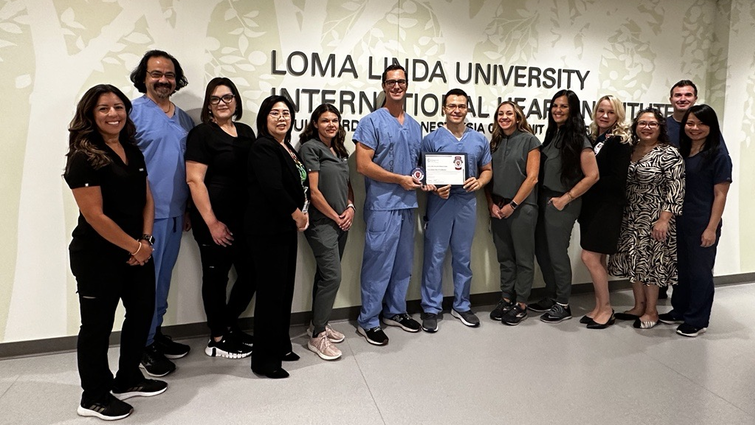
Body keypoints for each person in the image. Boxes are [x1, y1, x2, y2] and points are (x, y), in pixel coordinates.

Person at [65, 84, 166, 421]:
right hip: (97, 257)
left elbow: (147, 197)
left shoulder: (131, 149)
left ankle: (128, 378)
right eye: (104, 108)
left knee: (141, 314)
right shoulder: (84, 157)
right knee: (97, 326)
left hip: (138, 251)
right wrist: (135, 246)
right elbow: (95, 216)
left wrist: (146, 241)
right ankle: (93, 396)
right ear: (91, 115)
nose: (113, 114)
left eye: (119, 107)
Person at [129, 50, 195, 376]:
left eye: (169, 75)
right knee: (146, 285)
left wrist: (185, 211)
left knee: (163, 281)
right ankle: (142, 345)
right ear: (144, 76)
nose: (163, 80)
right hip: (146, 216)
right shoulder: (131, 113)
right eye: (156, 74)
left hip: (175, 214)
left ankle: (154, 335)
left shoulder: (184, 119)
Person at [354, 64, 429, 345]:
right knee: (378, 264)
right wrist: (399, 179)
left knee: (402, 264)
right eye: (391, 82)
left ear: (407, 85)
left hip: (408, 205)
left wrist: (427, 180)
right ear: (384, 86)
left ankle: (395, 312)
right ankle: (368, 320)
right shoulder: (371, 122)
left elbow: (417, 167)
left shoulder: (414, 125)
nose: (396, 86)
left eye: (401, 81)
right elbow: (362, 165)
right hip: (383, 206)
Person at [186, 77, 256, 359]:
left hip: (244, 222)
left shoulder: (247, 132)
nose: (222, 103)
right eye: (215, 99)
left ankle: (228, 324)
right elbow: (194, 181)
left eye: (227, 97)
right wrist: (212, 223)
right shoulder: (202, 134)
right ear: (208, 105)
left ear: (236, 100)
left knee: (251, 275)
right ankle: (217, 337)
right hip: (214, 222)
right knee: (216, 279)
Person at [419, 89, 492, 333]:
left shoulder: (479, 139)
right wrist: (433, 188)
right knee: (434, 256)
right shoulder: (431, 139)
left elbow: (487, 169)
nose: (456, 110)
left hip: (467, 202)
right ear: (443, 108)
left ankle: (461, 305)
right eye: (452, 105)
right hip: (440, 202)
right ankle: (431, 307)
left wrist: (480, 182)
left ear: (467, 109)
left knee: (463, 256)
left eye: (461, 106)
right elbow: (423, 174)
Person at [246, 95, 308, 379]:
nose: (282, 118)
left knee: (284, 292)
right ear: (264, 118)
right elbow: (272, 188)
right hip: (269, 230)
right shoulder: (263, 147)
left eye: (286, 113)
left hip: (284, 229)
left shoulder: (287, 148)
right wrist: (296, 213)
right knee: (271, 295)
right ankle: (264, 360)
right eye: (275, 113)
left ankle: (281, 345)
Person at [659, 105, 732, 337]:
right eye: (690, 123)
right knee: (681, 269)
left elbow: (721, 195)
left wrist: (711, 228)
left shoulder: (719, 155)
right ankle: (680, 309)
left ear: (711, 127)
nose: (695, 128)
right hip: (680, 219)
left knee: (700, 272)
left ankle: (698, 319)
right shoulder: (682, 151)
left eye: (701, 124)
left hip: (702, 221)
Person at [608, 108, 685, 329]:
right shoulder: (631, 150)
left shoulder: (670, 154)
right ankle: (638, 306)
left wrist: (664, 219)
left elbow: (676, 189)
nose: (647, 127)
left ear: (661, 127)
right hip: (630, 216)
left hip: (655, 218)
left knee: (652, 264)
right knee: (635, 261)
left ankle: (651, 310)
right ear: (636, 126)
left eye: (652, 123)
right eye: (642, 123)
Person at [529, 90, 599, 322]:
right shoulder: (553, 134)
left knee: (557, 253)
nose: (558, 110)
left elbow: (592, 176)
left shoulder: (580, 140)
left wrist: (565, 198)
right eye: (555, 106)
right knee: (542, 251)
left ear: (573, 110)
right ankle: (551, 294)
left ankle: (563, 303)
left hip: (563, 203)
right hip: (544, 200)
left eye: (564, 107)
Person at [299, 104, 354, 360]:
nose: (331, 124)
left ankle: (317, 323)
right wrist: (335, 216)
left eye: (334, 120)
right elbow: (314, 192)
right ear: (315, 124)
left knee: (324, 275)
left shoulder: (340, 150)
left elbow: (347, 183)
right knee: (332, 277)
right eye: (325, 120)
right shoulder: (311, 148)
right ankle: (316, 336)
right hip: (322, 223)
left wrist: (350, 207)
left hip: (342, 222)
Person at [578, 95, 632, 329]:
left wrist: (589, 180)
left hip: (608, 206)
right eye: (601, 110)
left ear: (617, 115)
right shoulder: (595, 138)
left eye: (610, 112)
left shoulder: (620, 141)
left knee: (588, 257)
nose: (604, 115)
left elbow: (617, 179)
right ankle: (599, 306)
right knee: (597, 258)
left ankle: (607, 308)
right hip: (591, 206)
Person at [485, 101, 540, 326]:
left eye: (509, 113)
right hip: (498, 208)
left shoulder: (530, 140)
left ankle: (522, 303)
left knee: (523, 259)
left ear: (518, 117)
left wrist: (514, 205)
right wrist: (491, 204)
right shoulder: (495, 143)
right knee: (505, 257)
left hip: (522, 208)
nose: (504, 117)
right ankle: (507, 298)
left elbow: (532, 177)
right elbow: (487, 175)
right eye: (501, 113)